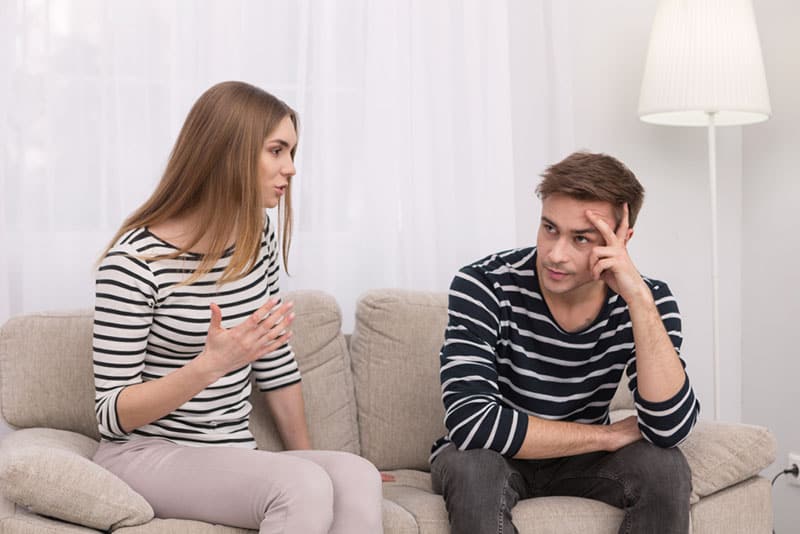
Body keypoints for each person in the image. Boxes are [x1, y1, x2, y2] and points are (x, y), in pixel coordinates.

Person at [92, 81, 383, 534]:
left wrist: (311, 461)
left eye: (292, 153)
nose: (290, 168)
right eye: (277, 150)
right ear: (229, 152)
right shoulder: (134, 263)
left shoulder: (255, 236)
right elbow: (111, 413)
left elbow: (274, 360)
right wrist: (209, 367)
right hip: (144, 454)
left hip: (229, 451)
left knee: (355, 475)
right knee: (301, 486)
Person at [430, 151, 700, 534]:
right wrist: (606, 436)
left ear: (622, 240)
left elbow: (669, 429)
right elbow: (472, 424)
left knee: (665, 467)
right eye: (549, 228)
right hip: (493, 456)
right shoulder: (484, 283)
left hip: (582, 463)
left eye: (581, 238)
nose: (556, 254)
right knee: (474, 466)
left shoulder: (646, 298)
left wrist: (639, 300)